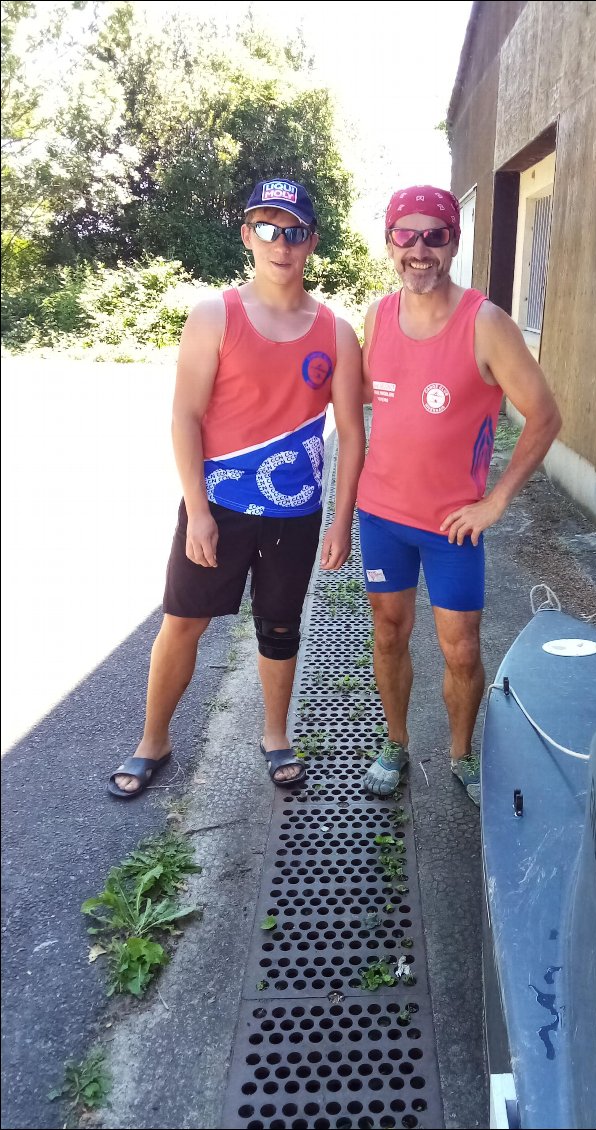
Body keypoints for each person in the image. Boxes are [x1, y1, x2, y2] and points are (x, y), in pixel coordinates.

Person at [108, 178, 365, 798]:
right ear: (249, 236)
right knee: (184, 622)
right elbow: (185, 418)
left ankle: (276, 734)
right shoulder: (214, 315)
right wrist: (197, 511)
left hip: (293, 517)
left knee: (280, 628)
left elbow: (353, 433)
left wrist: (339, 520)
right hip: (217, 509)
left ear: (312, 242)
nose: (282, 243)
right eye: (269, 229)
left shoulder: (337, 331)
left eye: (295, 231)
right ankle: (154, 741)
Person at [357, 185, 561, 805]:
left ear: (453, 242)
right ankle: (395, 745)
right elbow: (376, 401)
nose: (420, 250)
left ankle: (461, 752)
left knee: (462, 646)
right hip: (381, 517)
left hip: (452, 528)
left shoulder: (486, 322)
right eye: (406, 235)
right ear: (390, 242)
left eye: (435, 236)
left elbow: (545, 416)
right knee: (388, 633)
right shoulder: (376, 316)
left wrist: (495, 501)